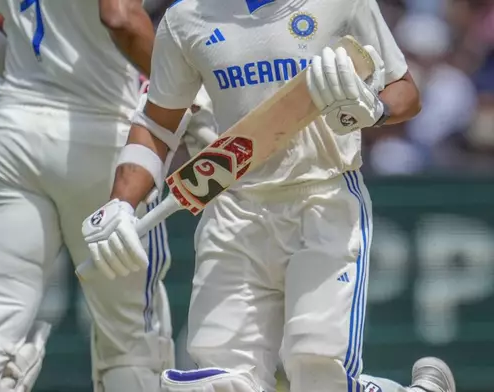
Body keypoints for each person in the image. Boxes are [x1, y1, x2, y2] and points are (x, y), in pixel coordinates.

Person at [81, 1, 455, 392]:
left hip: (322, 199)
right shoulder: (185, 18)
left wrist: (373, 109)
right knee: (220, 383)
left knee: (318, 376)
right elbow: (158, 123)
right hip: (232, 208)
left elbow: (406, 90)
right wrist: (122, 203)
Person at [0, 0, 213, 391]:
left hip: (12, 131)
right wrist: (187, 98)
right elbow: (120, 16)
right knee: (131, 342)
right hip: (103, 136)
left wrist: (18, 70)